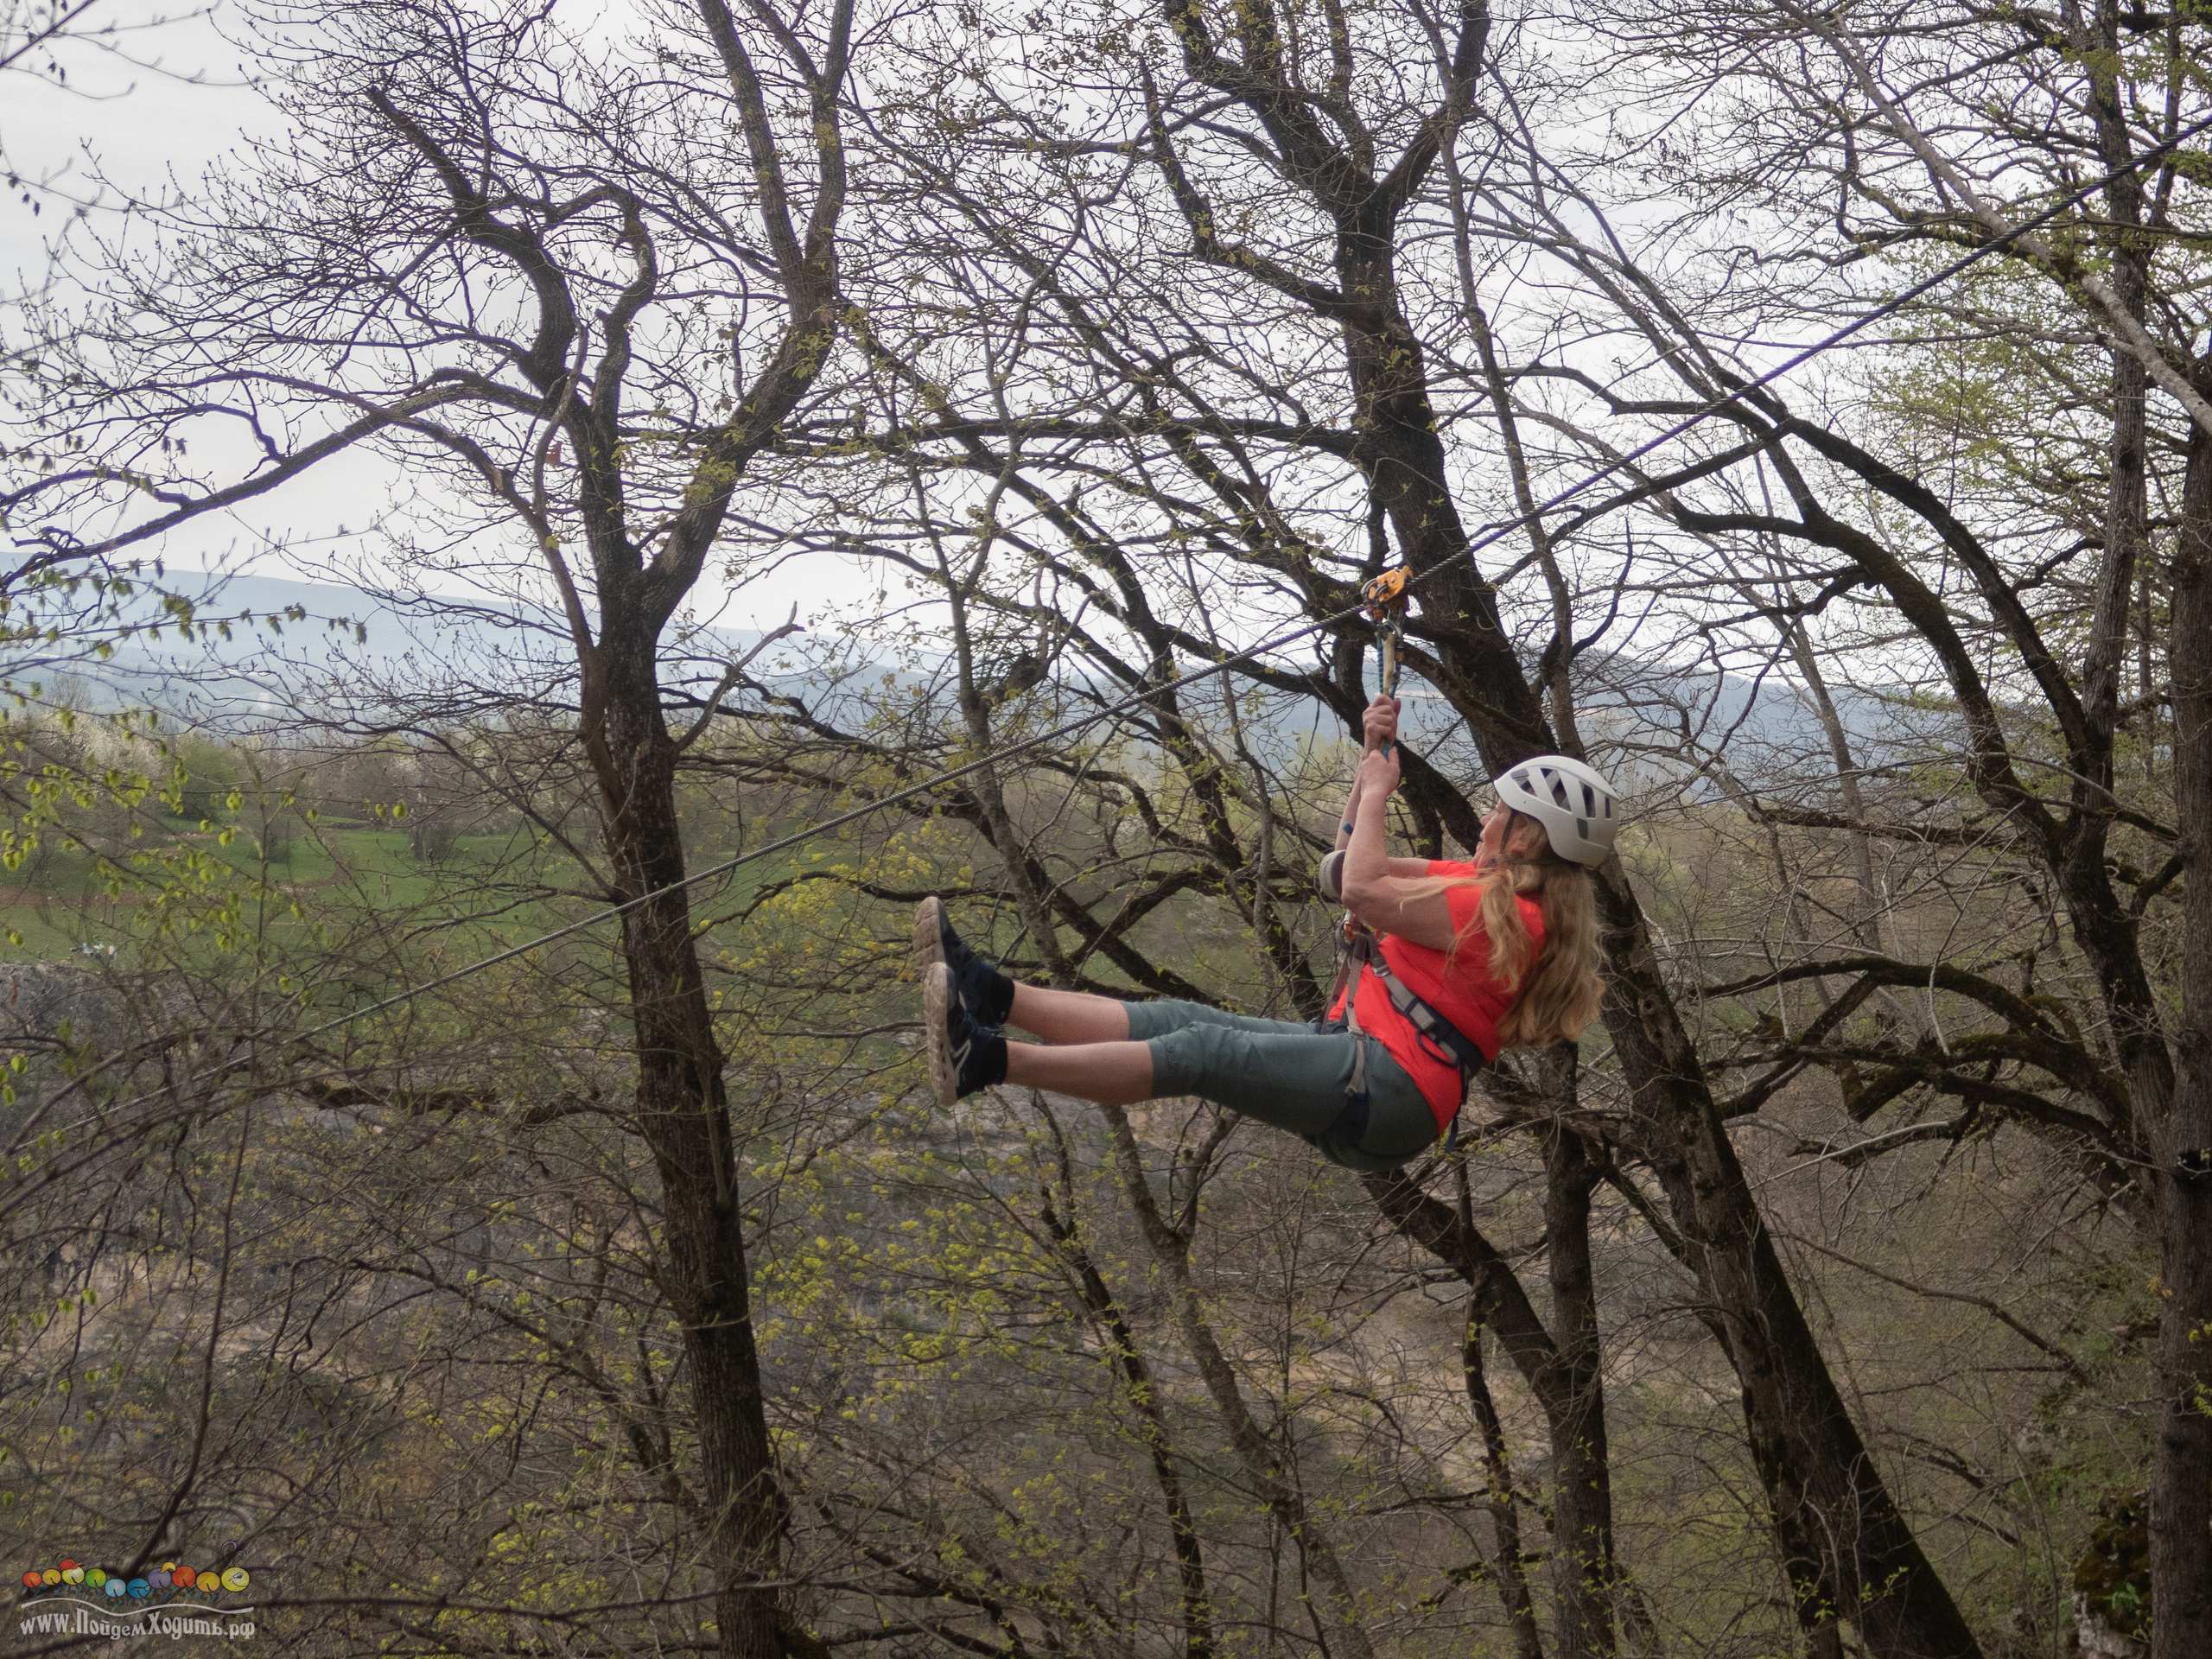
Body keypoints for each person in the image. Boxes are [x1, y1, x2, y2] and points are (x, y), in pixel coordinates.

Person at [915, 694, 1618, 1170]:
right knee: (1180, 1019)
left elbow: (1364, 889)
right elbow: (1341, 869)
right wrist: (1372, 759)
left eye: (1500, 815)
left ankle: (985, 1060)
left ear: (1526, 839)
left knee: (1201, 1051)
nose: (1485, 822)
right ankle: (989, 994)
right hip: (1364, 1056)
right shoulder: (1476, 884)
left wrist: (1378, 793)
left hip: (1391, 1086)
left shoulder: (1505, 918)